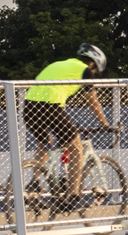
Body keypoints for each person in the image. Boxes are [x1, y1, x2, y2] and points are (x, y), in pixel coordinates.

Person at [26, 44, 112, 196]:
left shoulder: (57, 65)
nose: (93, 74)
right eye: (95, 71)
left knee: (45, 143)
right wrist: (105, 124)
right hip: (51, 107)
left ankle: (35, 183)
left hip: (29, 107)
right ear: (92, 63)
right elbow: (92, 101)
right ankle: (73, 195)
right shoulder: (85, 70)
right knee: (77, 148)